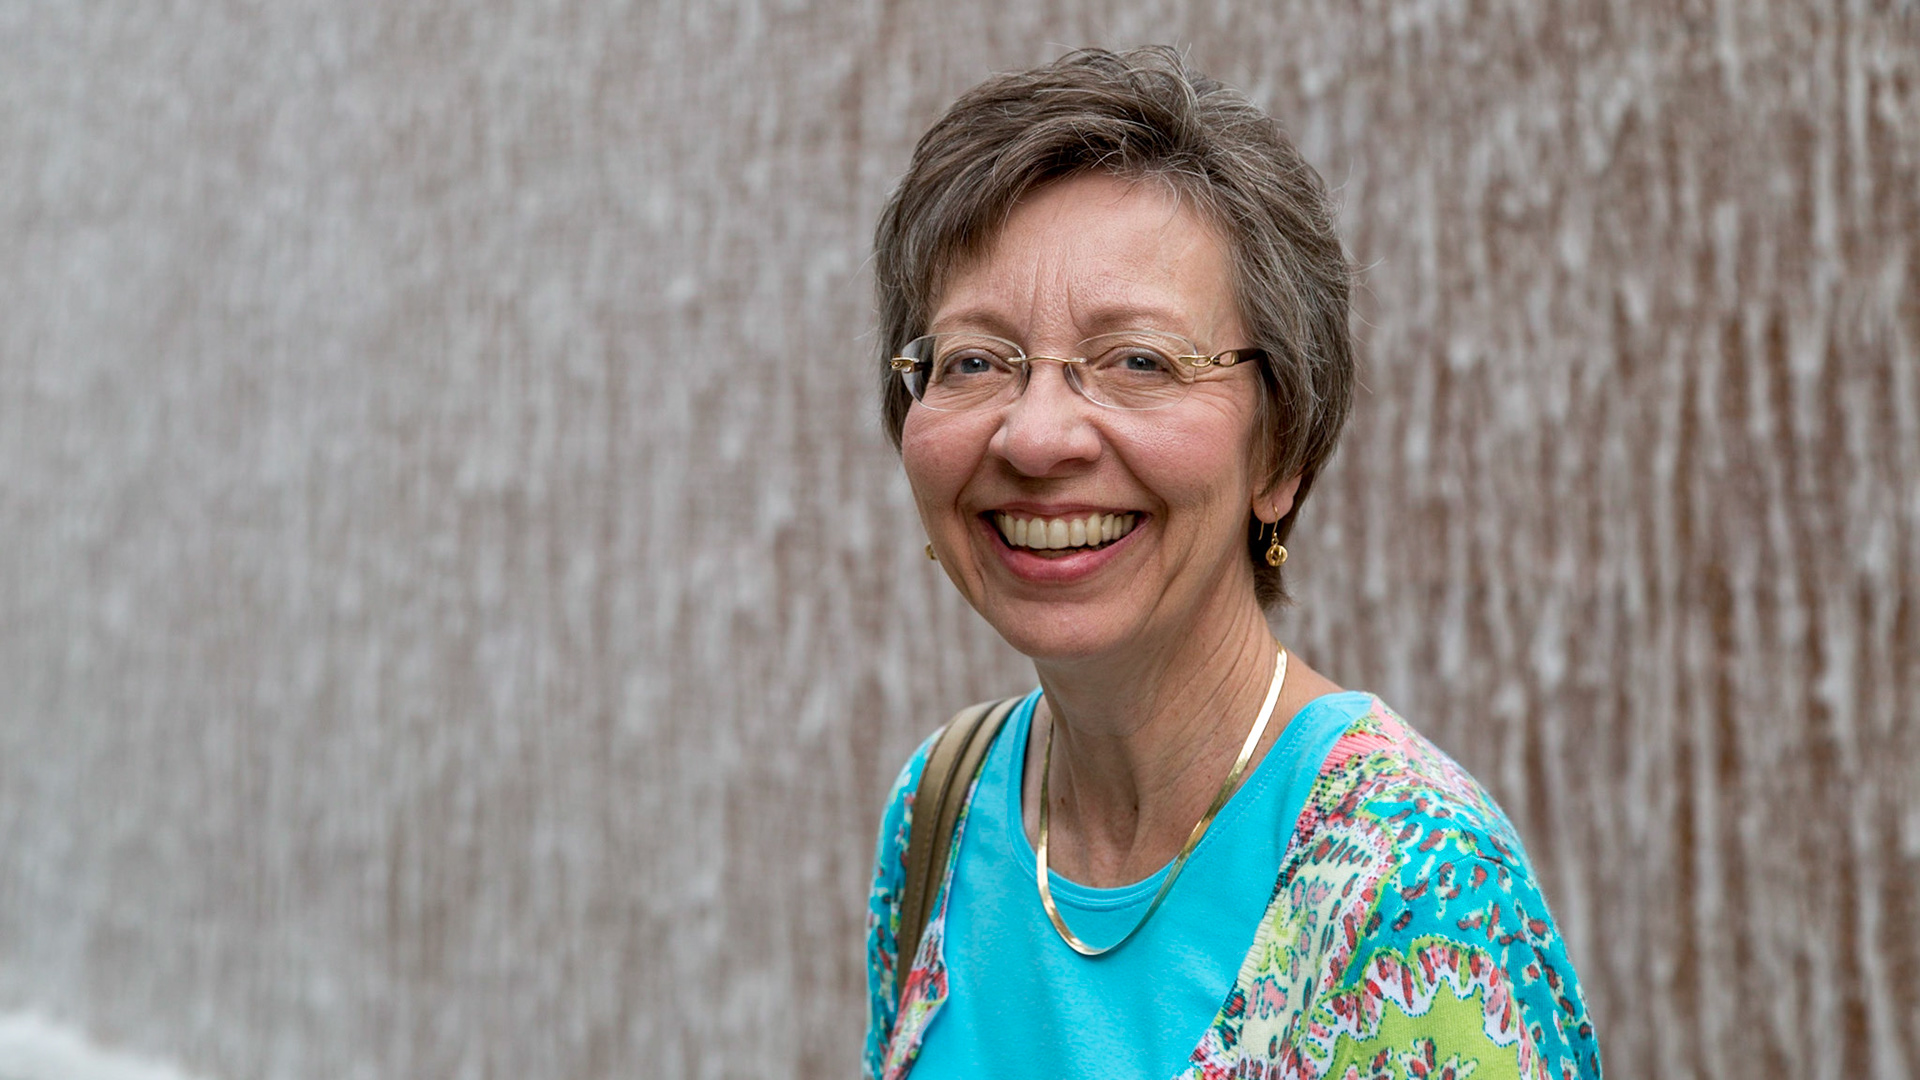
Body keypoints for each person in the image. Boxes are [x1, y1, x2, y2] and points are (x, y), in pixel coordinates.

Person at [862, 47, 1602, 1080]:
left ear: (1284, 449)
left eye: (1138, 361)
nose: (1034, 439)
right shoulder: (943, 808)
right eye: (976, 361)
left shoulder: (1416, 885)